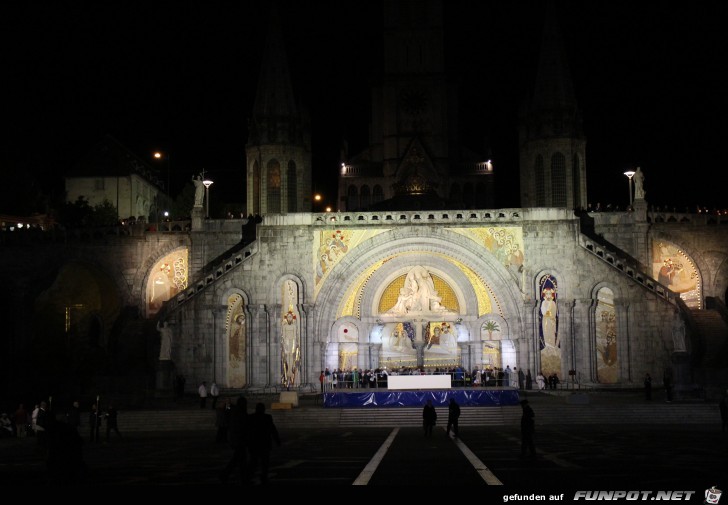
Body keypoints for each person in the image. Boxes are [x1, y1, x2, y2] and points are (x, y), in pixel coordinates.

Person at [247, 402, 281, 485]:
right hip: (265, 443)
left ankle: (249, 476)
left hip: (254, 443)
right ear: (263, 409)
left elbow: (247, 431)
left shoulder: (251, 417)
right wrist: (277, 441)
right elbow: (273, 430)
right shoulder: (267, 417)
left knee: (254, 461)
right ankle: (263, 476)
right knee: (264, 462)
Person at [220, 396, 249, 484]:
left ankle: (228, 474)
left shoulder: (234, 411)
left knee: (238, 459)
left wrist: (228, 404)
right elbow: (244, 426)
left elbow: (227, 412)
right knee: (239, 459)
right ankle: (226, 474)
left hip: (235, 439)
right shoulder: (241, 413)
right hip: (240, 439)